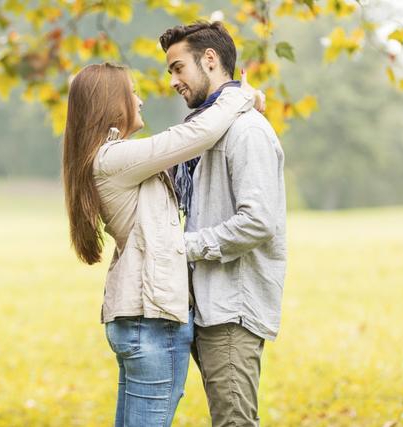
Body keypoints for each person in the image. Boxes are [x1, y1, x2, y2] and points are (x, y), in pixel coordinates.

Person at [62, 62, 264, 427]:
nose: (140, 100)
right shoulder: (114, 158)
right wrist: (239, 96)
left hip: (137, 316)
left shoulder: (114, 159)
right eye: (132, 92)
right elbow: (190, 138)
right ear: (112, 103)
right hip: (151, 319)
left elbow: (186, 144)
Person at [159, 21, 287, 427]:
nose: (174, 81)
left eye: (178, 68)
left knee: (234, 423)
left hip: (232, 310)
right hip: (206, 306)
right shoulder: (204, 129)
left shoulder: (247, 131)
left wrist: (185, 247)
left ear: (209, 59)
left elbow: (258, 221)